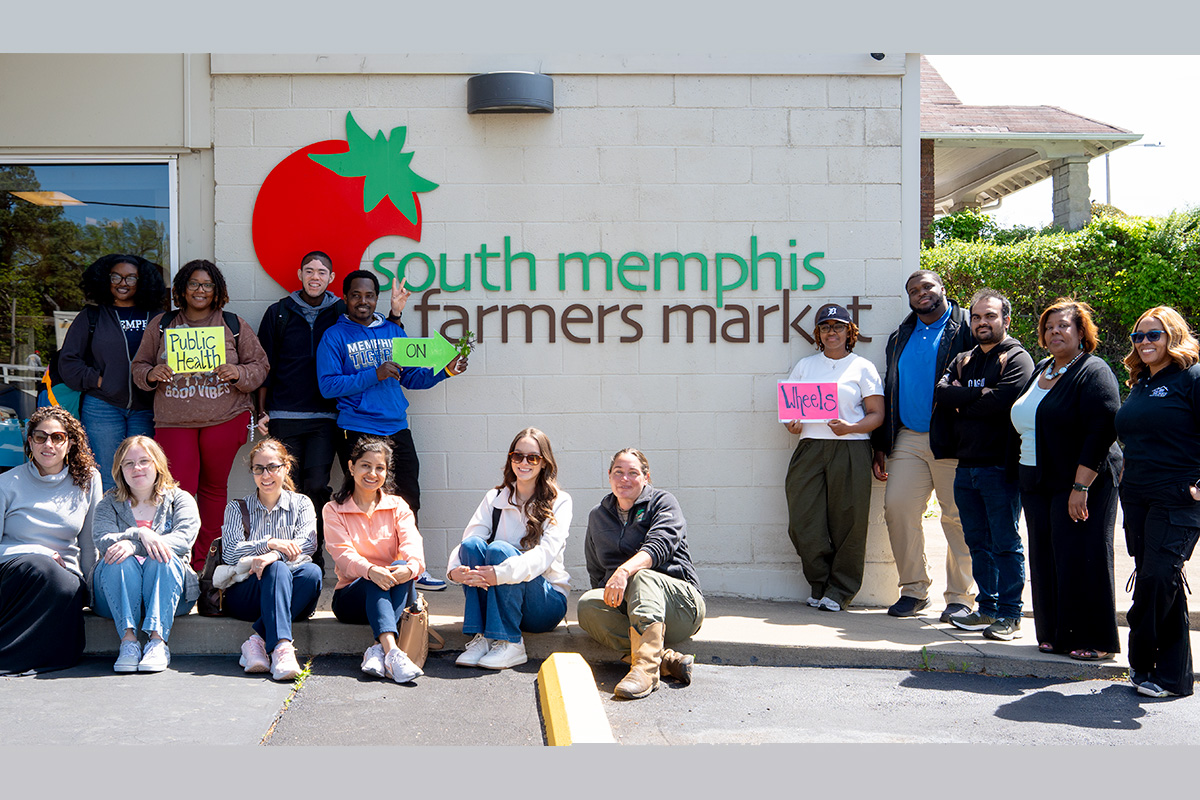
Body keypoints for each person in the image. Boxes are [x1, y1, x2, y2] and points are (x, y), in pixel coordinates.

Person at [315, 269, 466, 588]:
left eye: (369, 295)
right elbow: (328, 386)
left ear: (376, 298)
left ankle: (412, 567)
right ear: (345, 298)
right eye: (356, 295)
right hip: (356, 428)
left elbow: (411, 377)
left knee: (408, 496)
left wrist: (445, 371)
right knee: (365, 500)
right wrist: (375, 373)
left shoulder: (393, 332)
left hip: (396, 427)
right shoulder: (334, 336)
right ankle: (367, 571)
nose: (363, 301)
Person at [131, 259, 270, 572]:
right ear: (182, 288)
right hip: (174, 421)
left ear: (216, 290)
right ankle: (175, 561)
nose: (200, 290)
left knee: (212, 489)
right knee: (177, 492)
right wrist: (153, 373)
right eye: (193, 283)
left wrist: (237, 372)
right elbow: (138, 368)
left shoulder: (233, 325)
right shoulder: (162, 324)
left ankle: (203, 565)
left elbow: (260, 366)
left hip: (224, 417)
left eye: (207, 284)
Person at [1009, 298, 1122, 661]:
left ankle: (1095, 639)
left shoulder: (1093, 370)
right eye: (1048, 327)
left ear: (1081, 333)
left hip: (1082, 482)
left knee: (1082, 555)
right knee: (1046, 555)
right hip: (1038, 479)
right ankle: (1057, 634)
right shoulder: (1043, 367)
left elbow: (1101, 429)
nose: (1054, 331)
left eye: (1063, 326)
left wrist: (1080, 486)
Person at [871, 269, 976, 621]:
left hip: (953, 438)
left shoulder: (966, 328)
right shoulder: (901, 335)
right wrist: (882, 442)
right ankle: (914, 589)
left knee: (957, 518)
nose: (921, 293)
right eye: (914, 290)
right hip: (909, 437)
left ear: (942, 288)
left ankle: (961, 596)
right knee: (897, 508)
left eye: (928, 286)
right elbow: (891, 389)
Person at [935, 289, 1034, 640]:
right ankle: (987, 608)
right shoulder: (963, 359)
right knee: (977, 541)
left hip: (999, 466)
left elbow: (1005, 401)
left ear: (1006, 319)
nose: (982, 322)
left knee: (1005, 541)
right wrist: (979, 396)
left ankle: (1010, 614)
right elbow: (943, 394)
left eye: (990, 316)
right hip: (966, 467)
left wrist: (965, 400)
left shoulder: (1018, 358)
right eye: (976, 317)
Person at [1115, 306, 1200, 697]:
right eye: (1138, 336)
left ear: (1173, 336)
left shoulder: (1192, 377)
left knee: (1157, 579)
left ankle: (1142, 659)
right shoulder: (1141, 381)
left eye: (1154, 335)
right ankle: (1173, 678)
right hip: (1137, 496)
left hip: (1178, 496)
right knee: (1161, 583)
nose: (1145, 342)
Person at [578, 448, 705, 699]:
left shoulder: (663, 502)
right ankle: (665, 659)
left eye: (633, 473)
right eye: (618, 472)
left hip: (681, 607)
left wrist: (624, 571)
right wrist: (610, 589)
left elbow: (660, 545)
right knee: (587, 605)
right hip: (633, 611)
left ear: (646, 477)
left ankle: (646, 672)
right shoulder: (598, 516)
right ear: (609, 475)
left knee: (642, 575)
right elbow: (597, 571)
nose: (625, 478)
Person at [782, 303, 883, 612]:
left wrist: (851, 427)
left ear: (849, 331)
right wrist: (792, 423)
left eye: (838, 326)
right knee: (803, 520)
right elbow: (790, 416)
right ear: (818, 334)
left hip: (850, 448)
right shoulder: (804, 366)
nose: (832, 332)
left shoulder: (862, 367)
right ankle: (819, 581)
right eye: (825, 327)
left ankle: (840, 590)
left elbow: (877, 414)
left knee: (848, 521)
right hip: (810, 446)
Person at [447, 427, 571, 670]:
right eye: (517, 456)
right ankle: (484, 637)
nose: (524, 462)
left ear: (544, 462)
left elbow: (544, 556)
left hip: (544, 603)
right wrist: (454, 571)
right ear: (510, 459)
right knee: (473, 546)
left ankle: (512, 643)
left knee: (499, 551)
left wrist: (500, 573)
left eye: (532, 457)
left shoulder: (560, 501)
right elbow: (469, 540)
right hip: (501, 595)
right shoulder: (495, 497)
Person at [0, 407, 103, 674]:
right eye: (40, 436)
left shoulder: (88, 480)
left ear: (69, 443)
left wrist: (93, 592)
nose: (48, 444)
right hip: (13, 574)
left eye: (57, 437)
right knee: (41, 567)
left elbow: (91, 542)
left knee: (66, 584)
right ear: (29, 441)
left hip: (64, 576)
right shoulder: (6, 483)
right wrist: (37, 550)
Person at [59, 253, 169, 493]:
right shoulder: (92, 316)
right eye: (116, 277)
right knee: (108, 478)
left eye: (131, 278)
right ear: (105, 280)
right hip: (102, 407)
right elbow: (68, 361)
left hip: (146, 408)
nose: (123, 283)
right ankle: (108, 530)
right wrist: (98, 380)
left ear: (142, 282)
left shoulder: (157, 317)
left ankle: (139, 529)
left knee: (143, 479)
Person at [90, 435, 200, 673]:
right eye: (128, 463)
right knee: (118, 558)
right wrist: (139, 533)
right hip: (114, 592)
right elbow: (102, 539)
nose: (136, 468)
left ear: (157, 464)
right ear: (120, 469)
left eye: (143, 461)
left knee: (163, 556)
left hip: (170, 593)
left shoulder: (180, 499)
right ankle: (128, 642)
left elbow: (183, 538)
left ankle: (157, 643)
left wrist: (135, 545)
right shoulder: (108, 503)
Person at [323, 436, 425, 684]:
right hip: (351, 598)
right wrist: (370, 570)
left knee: (402, 567)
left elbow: (413, 544)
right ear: (351, 467)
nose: (372, 473)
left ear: (387, 472)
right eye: (365, 465)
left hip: (393, 588)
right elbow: (344, 555)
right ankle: (393, 652)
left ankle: (380, 650)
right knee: (371, 576)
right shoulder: (334, 509)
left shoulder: (398, 506)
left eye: (380, 467)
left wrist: (411, 568)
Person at [221, 438, 322, 682]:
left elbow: (308, 544)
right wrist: (269, 543)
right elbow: (230, 552)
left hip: (286, 594)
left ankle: (257, 641)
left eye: (273, 467)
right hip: (246, 593)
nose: (266, 475)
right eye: (259, 469)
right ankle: (283, 648)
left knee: (312, 574)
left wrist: (272, 555)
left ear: (286, 467)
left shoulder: (301, 504)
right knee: (276, 569)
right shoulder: (237, 508)